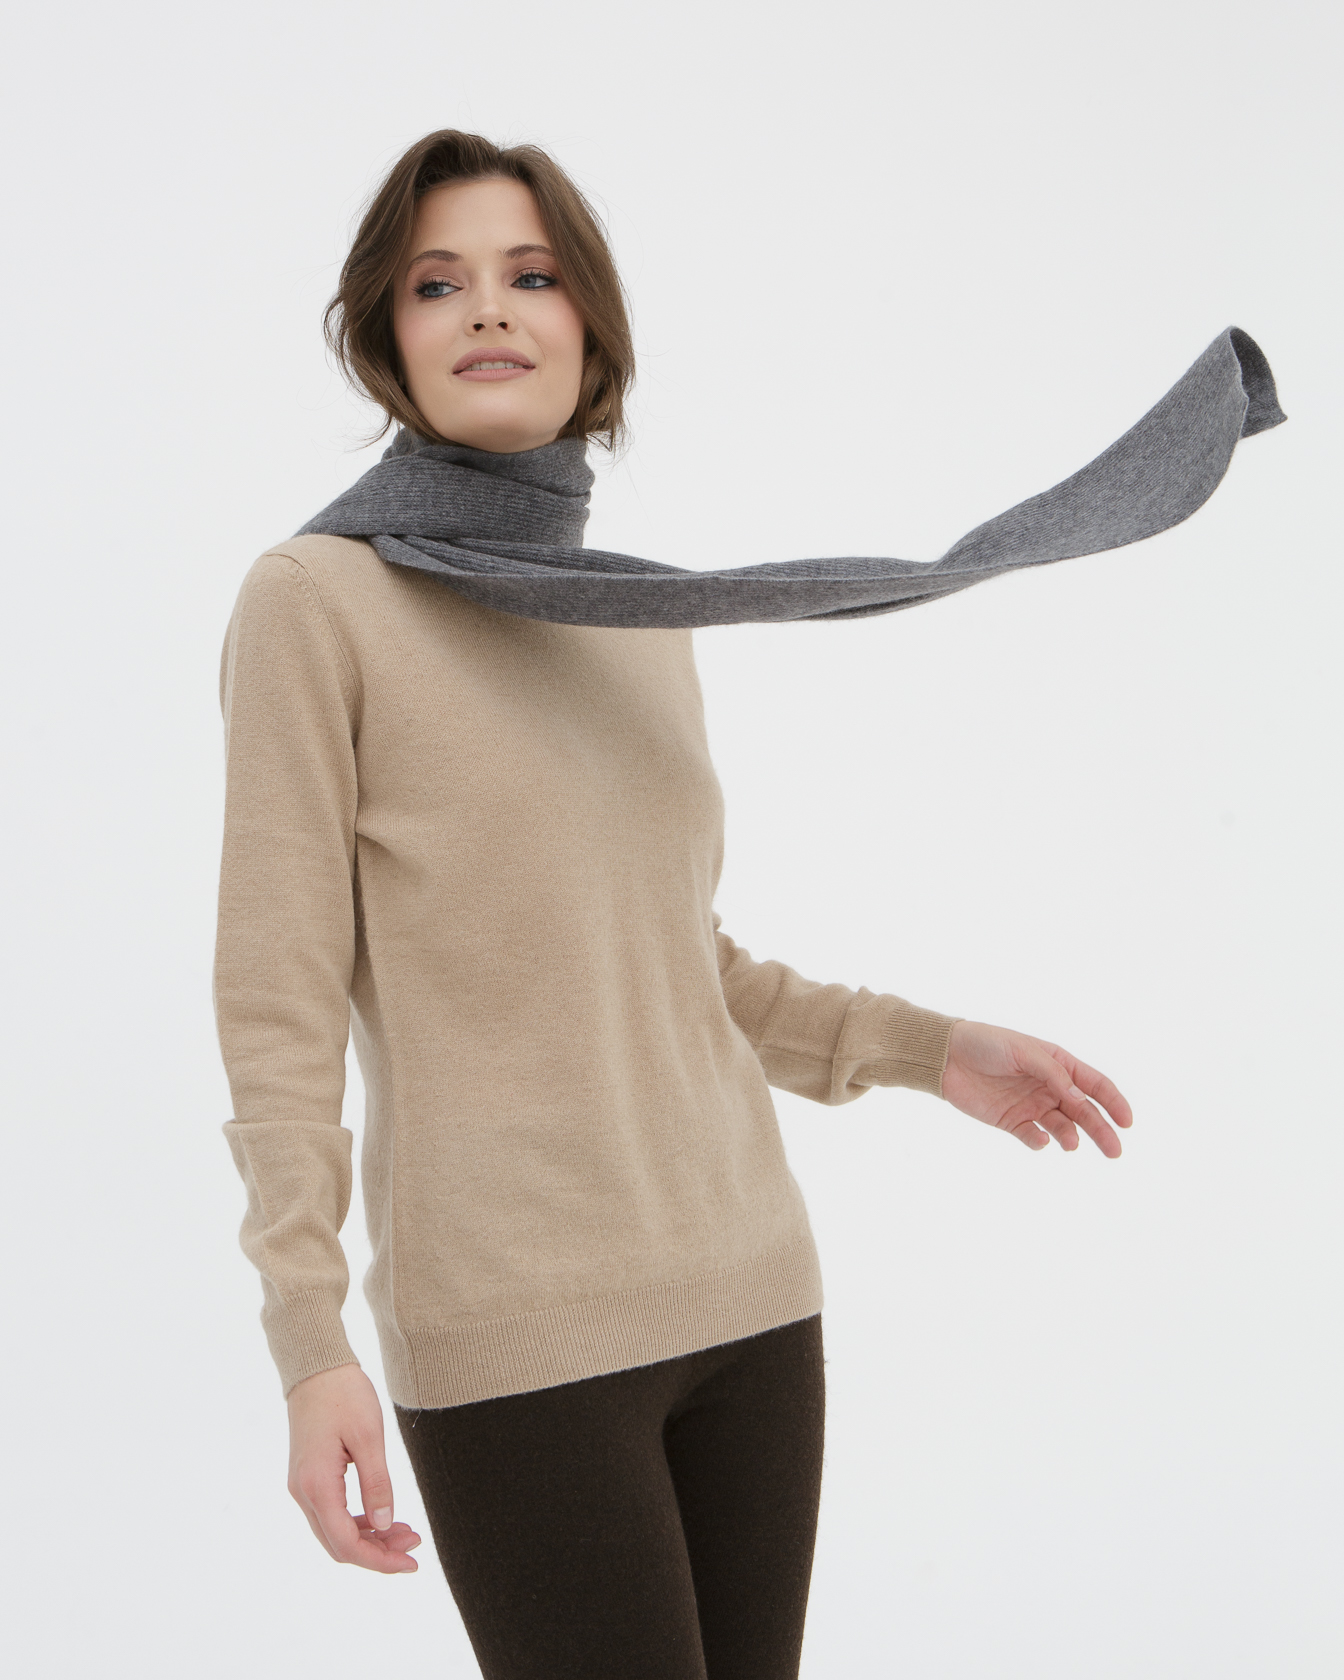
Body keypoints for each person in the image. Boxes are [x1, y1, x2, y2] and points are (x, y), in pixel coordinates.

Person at [214, 129, 1132, 1680]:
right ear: (386, 340)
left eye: (532, 275)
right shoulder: (315, 603)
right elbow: (276, 1005)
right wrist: (311, 1344)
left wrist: (930, 1049)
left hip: (750, 1293)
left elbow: (673, 962)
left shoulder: (641, 617)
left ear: (592, 329)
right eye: (437, 283)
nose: (486, 308)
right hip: (516, 1331)